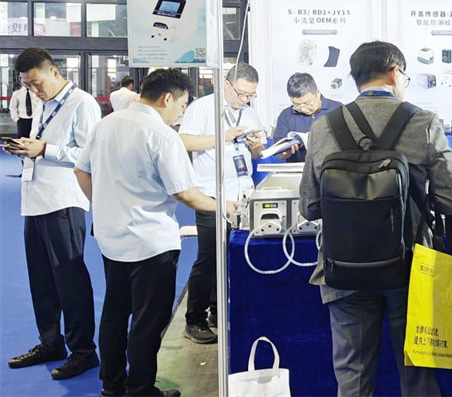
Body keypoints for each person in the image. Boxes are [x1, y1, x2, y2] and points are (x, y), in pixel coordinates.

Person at [299, 41, 452, 396]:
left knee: (353, 377)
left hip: (343, 268)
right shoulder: (423, 121)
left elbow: (310, 207)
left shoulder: (323, 126)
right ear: (394, 73)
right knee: (418, 376)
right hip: (410, 268)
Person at [75, 69, 237, 397]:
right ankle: (141, 388)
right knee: (148, 320)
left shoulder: (106, 123)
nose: (181, 113)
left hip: (111, 238)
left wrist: (105, 206)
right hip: (151, 244)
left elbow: (81, 171)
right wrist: (222, 206)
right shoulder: (162, 135)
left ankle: (112, 385)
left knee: (115, 313)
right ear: (167, 98)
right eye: (182, 105)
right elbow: (185, 194)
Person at [4, 47, 100, 380]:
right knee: (41, 280)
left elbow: (89, 155)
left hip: (64, 201)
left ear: (54, 72)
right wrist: (27, 148)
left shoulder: (82, 104)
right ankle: (50, 342)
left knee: (70, 281)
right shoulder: (44, 103)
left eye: (37, 83)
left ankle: (83, 351)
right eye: (27, 85)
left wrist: (45, 149)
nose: (34, 90)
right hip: (35, 199)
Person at [178, 63, 266, 343]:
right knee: (209, 257)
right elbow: (183, 141)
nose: (245, 99)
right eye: (241, 93)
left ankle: (219, 311)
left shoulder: (249, 112)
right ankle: (194, 319)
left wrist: (255, 146)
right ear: (226, 84)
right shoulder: (202, 108)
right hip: (211, 195)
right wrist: (222, 137)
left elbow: (258, 151)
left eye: (250, 95)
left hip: (242, 193)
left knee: (233, 255)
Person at [274, 72, 342, 162]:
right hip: (299, 168)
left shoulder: (338, 109)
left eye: (307, 103)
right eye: (297, 104)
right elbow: (279, 153)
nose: (303, 109)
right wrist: (285, 153)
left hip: (332, 166)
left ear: (318, 93)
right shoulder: (286, 115)